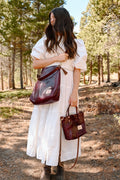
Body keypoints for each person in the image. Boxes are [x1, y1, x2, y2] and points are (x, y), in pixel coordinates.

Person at [26, 7, 87, 180]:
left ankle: (60, 164)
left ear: (62, 19)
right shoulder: (46, 40)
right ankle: (46, 165)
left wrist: (75, 92)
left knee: (63, 123)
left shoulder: (76, 43)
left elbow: (77, 70)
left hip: (67, 87)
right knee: (47, 124)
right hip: (49, 86)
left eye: (53, 18)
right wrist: (56, 59)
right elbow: (36, 64)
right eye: (50, 18)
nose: (51, 21)